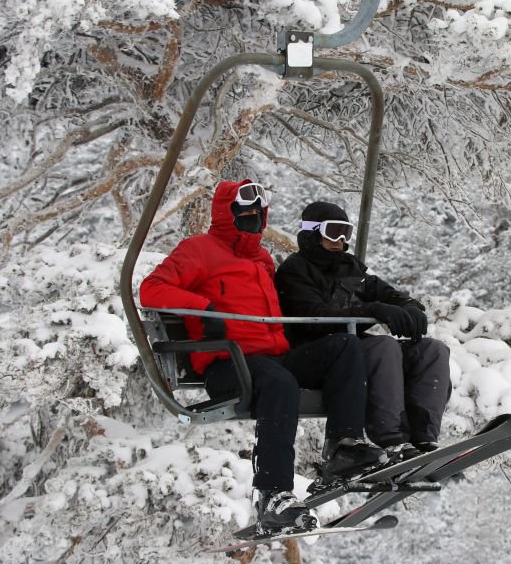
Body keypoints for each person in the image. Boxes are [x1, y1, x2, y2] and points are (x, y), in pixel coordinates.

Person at [139, 181, 385, 533]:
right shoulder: (199, 250)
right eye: (245, 213)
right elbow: (152, 288)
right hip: (228, 364)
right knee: (278, 382)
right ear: (229, 214)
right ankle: (273, 492)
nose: (253, 219)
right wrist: (204, 310)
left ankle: (344, 445)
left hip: (274, 358)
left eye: (259, 213)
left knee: (345, 346)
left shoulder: (262, 258)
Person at [275, 201, 452, 464]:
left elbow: (385, 292)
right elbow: (315, 318)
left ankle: (423, 437)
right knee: (384, 346)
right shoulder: (295, 270)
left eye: (345, 232)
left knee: (432, 351)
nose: (339, 240)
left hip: (355, 347)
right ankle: (391, 438)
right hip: (320, 353)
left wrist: (408, 306)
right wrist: (372, 309)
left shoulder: (350, 266)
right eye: (332, 231)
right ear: (312, 232)